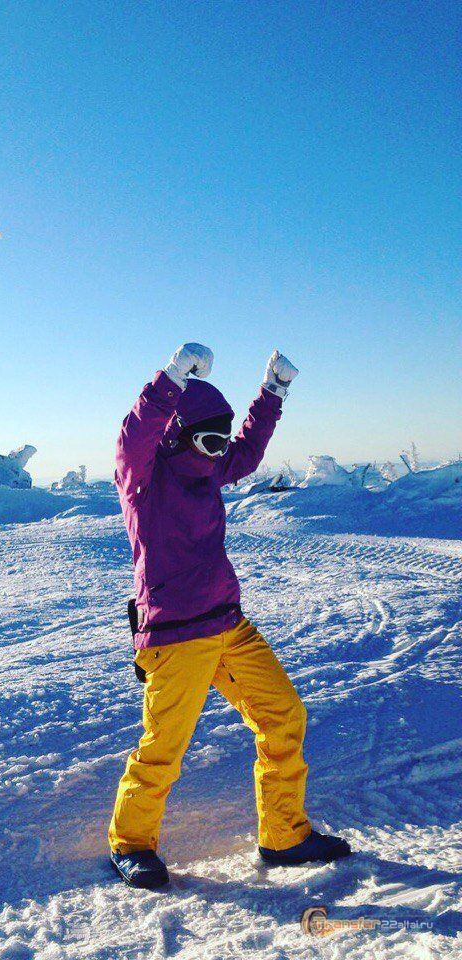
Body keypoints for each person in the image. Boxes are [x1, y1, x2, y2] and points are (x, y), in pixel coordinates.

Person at [108, 343, 351, 889]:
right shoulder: (144, 481)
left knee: (284, 716)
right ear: (178, 435)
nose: (218, 453)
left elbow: (249, 449)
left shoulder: (209, 472)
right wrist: (170, 377)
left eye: (220, 442)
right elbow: (133, 439)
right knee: (164, 747)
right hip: (175, 635)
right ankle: (132, 842)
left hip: (228, 625)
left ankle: (284, 836)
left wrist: (273, 393)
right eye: (207, 440)